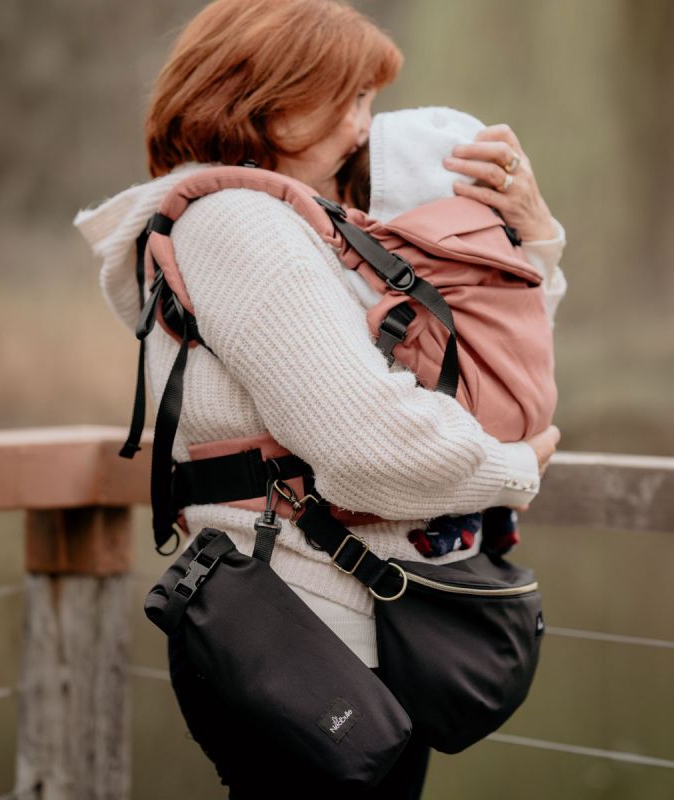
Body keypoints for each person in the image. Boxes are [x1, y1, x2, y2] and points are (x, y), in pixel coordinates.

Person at [74, 0, 561, 796]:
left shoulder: (282, 223)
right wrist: (516, 466)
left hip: (336, 632)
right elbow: (369, 450)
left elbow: (489, 374)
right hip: (309, 636)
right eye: (351, 97)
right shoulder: (238, 225)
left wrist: (532, 239)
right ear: (266, 97)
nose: (368, 127)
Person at [336, 105, 567, 558]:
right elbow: (535, 316)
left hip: (461, 440)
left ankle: (459, 523)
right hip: (528, 411)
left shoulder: (389, 261)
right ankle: (496, 519)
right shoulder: (505, 253)